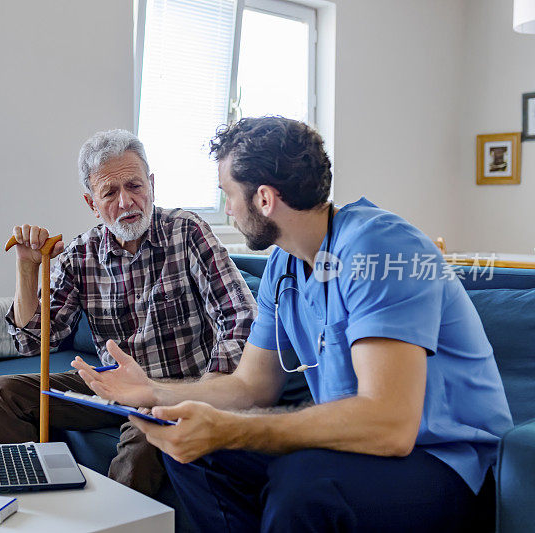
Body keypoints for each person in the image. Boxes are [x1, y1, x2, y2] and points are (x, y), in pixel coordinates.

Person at [72, 117, 513, 532]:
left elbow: (390, 425)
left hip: (444, 463)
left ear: (263, 199)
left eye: (228, 194)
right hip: (352, 449)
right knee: (192, 451)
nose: (227, 210)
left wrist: (231, 427)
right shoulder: (283, 265)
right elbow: (250, 388)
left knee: (305, 481)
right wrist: (154, 391)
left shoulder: (379, 248)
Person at [0, 129, 258, 496]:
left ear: (152, 185)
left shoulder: (186, 231)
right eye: (110, 193)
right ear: (91, 202)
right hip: (112, 386)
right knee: (2, 393)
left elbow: (241, 318)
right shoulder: (81, 255)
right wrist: (26, 268)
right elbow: (31, 343)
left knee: (145, 432)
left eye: (134, 186)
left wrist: (207, 391)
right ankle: (30, 507)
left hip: (176, 389)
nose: (127, 202)